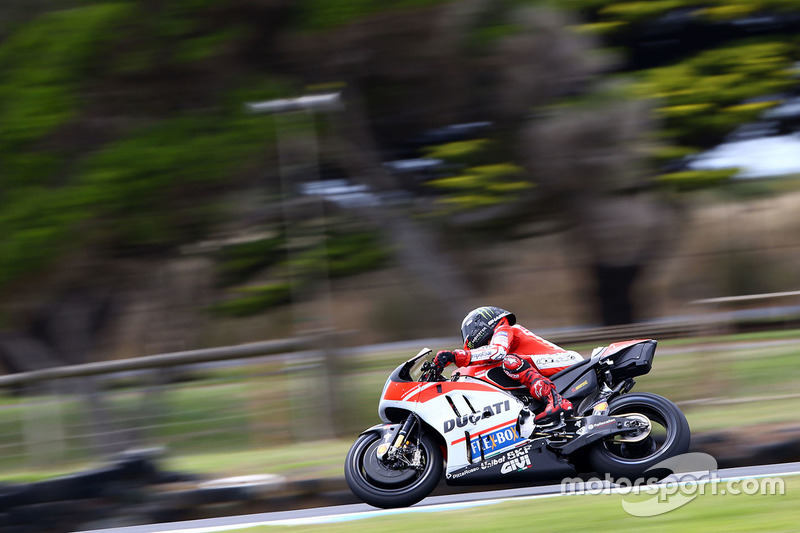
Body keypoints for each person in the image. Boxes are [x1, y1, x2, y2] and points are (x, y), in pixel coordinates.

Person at [433, 306, 582, 423]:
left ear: (479, 325)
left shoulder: (504, 329)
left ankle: (556, 401)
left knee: (510, 361)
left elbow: (497, 351)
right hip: (549, 367)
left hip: (566, 361)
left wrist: (455, 356)